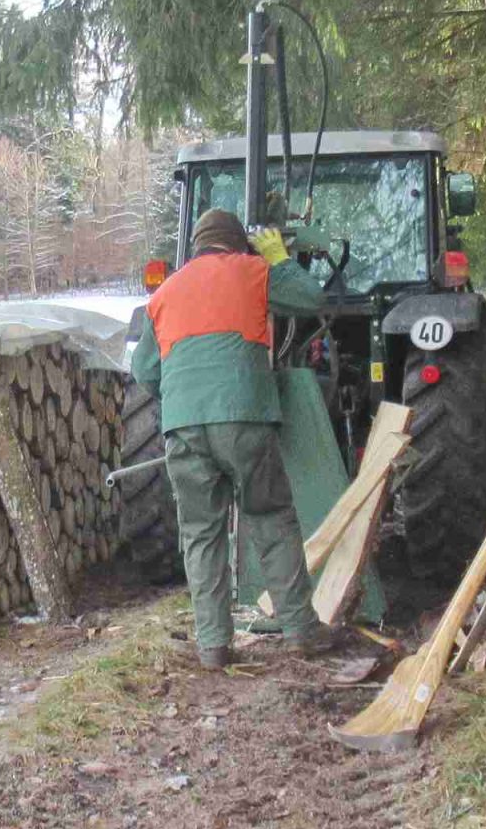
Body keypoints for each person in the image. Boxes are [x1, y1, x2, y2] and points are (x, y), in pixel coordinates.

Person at [131, 206, 342, 669]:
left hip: (183, 426)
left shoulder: (165, 293)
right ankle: (300, 631)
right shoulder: (253, 271)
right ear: (237, 244)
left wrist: (185, 399)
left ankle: (213, 646)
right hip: (244, 418)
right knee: (270, 518)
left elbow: (143, 370)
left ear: (196, 246)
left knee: (201, 534)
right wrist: (279, 259)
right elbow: (312, 299)